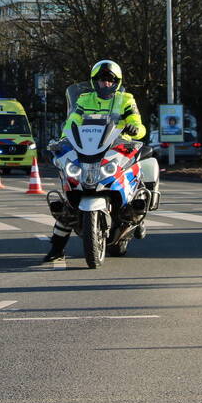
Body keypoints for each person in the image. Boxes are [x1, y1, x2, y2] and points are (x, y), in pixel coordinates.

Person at [43, 60, 146, 262]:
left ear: (117, 82)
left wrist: (135, 129)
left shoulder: (125, 99)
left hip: (117, 146)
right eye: (101, 79)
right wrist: (64, 139)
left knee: (137, 169)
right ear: (94, 81)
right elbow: (73, 121)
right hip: (87, 147)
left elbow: (137, 122)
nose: (105, 83)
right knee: (69, 199)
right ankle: (56, 248)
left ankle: (137, 212)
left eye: (110, 80)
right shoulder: (84, 99)